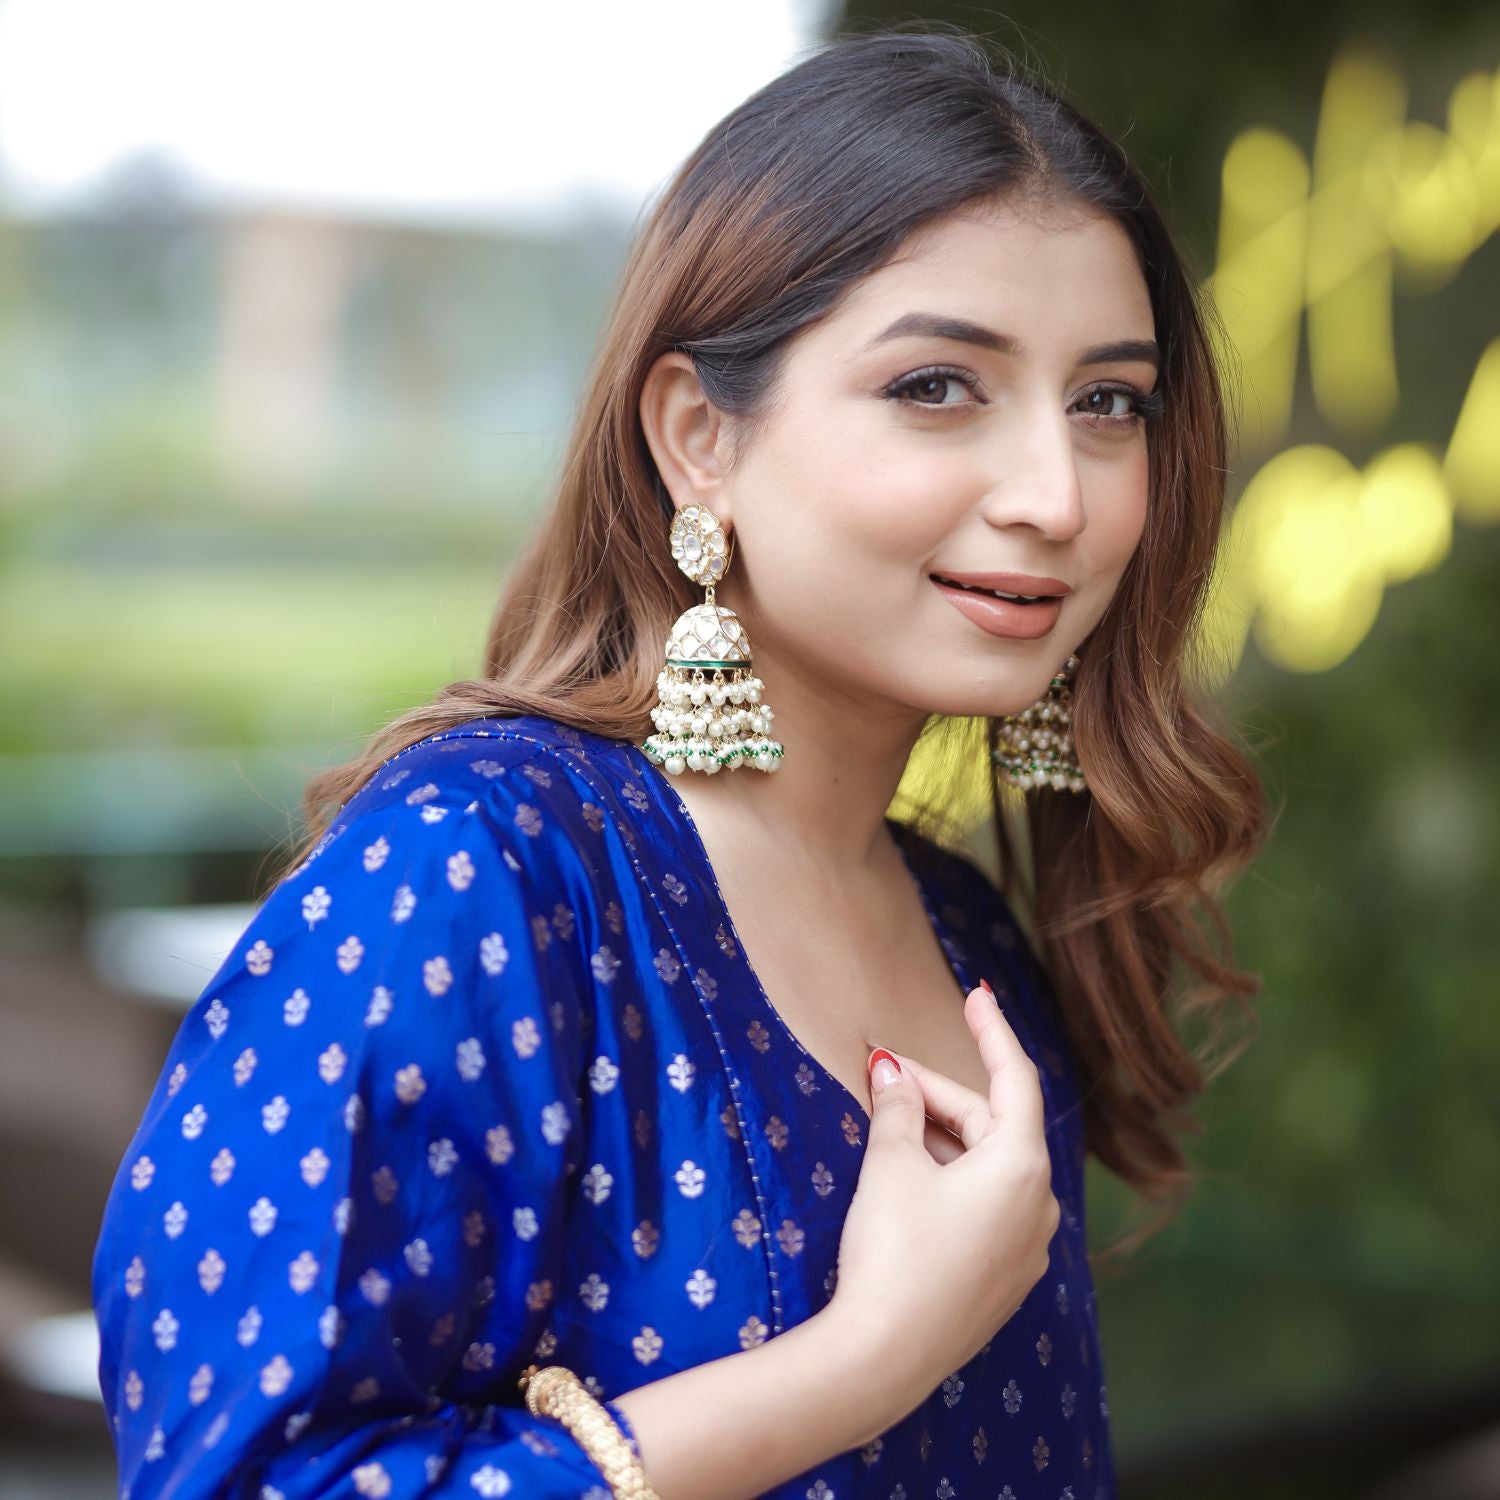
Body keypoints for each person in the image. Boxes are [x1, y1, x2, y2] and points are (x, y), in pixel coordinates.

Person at [91, 21, 1267, 1500]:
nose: (1055, 494)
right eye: (939, 388)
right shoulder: (480, 876)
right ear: (700, 436)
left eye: (1111, 402)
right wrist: (864, 1361)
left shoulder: (977, 944)